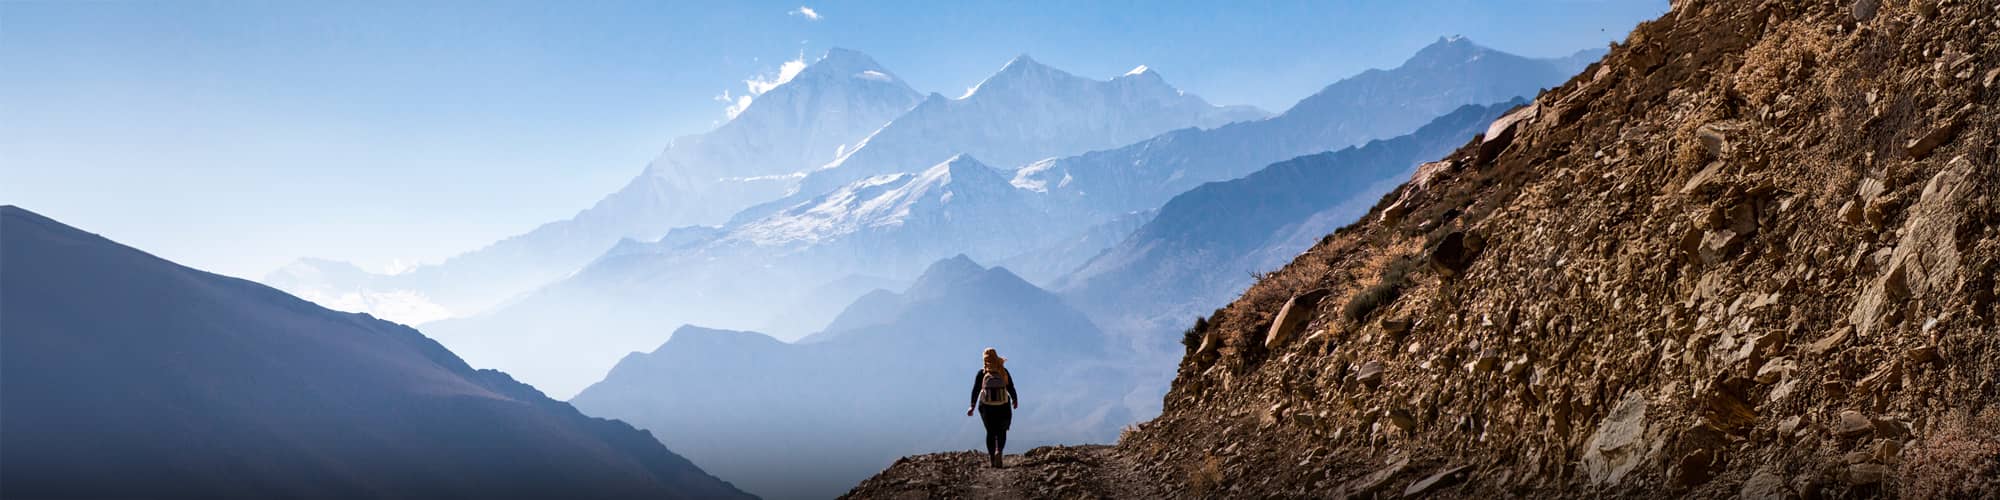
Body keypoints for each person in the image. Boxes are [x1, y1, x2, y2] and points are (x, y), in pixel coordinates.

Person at [967, 348, 1018, 468]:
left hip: (986, 407)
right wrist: (1015, 400)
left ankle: (991, 458)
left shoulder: (982, 373)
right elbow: (1010, 387)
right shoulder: (1003, 371)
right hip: (1003, 405)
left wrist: (972, 406)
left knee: (990, 432)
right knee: (1002, 431)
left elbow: (976, 390)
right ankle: (998, 451)